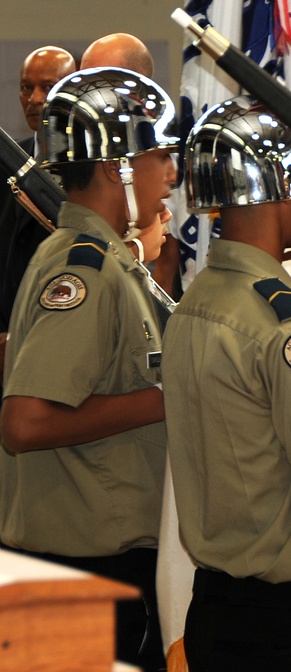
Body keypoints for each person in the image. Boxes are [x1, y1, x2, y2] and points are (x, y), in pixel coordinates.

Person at [0, 67, 177, 672]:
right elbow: (24, 422)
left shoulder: (102, 261)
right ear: (117, 168)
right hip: (82, 568)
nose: (172, 173)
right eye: (158, 154)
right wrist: (166, 397)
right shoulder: (86, 271)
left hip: (90, 560)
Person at [162, 97, 291, 672]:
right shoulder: (282, 319)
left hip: (215, 604)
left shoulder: (195, 301)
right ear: (276, 189)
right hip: (284, 619)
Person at [80, 32, 182, 300]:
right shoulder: (78, 152)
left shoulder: (158, 159)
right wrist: (137, 250)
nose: (85, 95)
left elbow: (168, 261)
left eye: (100, 81)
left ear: (140, 86)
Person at [0, 46, 75, 375]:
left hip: (62, 337)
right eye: (26, 87)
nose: (34, 98)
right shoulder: (6, 160)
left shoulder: (91, 171)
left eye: (47, 86)